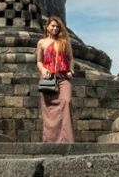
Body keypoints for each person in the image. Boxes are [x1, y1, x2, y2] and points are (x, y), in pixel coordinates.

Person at [36, 15, 74, 143]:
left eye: (57, 26)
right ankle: (50, 141)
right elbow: (39, 61)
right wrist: (43, 70)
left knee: (66, 102)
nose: (55, 28)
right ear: (47, 27)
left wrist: (71, 70)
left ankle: (67, 141)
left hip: (63, 77)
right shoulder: (42, 43)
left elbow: (71, 59)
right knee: (49, 110)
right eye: (53, 25)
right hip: (48, 78)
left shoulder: (64, 42)